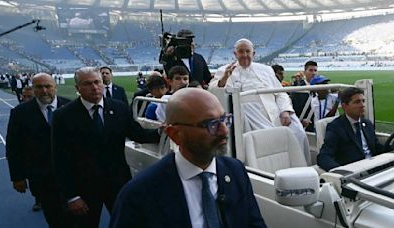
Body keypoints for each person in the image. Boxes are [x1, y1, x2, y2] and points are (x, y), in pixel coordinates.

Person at [110, 88, 267, 228]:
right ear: (175, 134)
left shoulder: (235, 170)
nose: (224, 131)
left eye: (224, 119)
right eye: (211, 124)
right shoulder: (140, 193)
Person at [52, 67, 160, 227]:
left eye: (97, 82)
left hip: (117, 183)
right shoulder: (63, 116)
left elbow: (139, 135)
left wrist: (161, 131)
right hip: (84, 187)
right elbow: (60, 158)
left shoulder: (119, 108)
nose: (94, 87)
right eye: (87, 84)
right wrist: (72, 196)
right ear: (77, 88)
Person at [209, 38, 310, 164]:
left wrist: (285, 111)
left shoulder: (266, 70)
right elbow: (213, 91)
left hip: (274, 111)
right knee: (267, 139)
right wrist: (224, 78)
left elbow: (281, 93)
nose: (245, 55)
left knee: (298, 132)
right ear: (235, 54)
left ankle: (298, 165)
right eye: (241, 52)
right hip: (246, 114)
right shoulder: (224, 70)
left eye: (248, 51)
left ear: (254, 54)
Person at [6, 73, 70, 227]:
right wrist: (17, 176)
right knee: (54, 217)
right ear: (33, 89)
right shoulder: (20, 113)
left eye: (48, 86)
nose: (44, 91)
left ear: (55, 86)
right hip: (41, 176)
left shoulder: (71, 106)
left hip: (72, 173)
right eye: (39, 87)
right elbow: (13, 146)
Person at [317, 87, 393, 171]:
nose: (362, 105)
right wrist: (341, 173)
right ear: (344, 106)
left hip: (374, 167)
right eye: (357, 102)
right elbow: (324, 156)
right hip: (356, 173)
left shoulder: (367, 124)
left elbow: (377, 148)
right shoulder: (336, 127)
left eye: (363, 101)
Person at [291, 61, 319, 132]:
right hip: (304, 126)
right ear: (304, 72)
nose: (314, 73)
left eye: (315, 70)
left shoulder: (320, 87)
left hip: (317, 124)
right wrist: (300, 120)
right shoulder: (298, 89)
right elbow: (294, 107)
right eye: (311, 70)